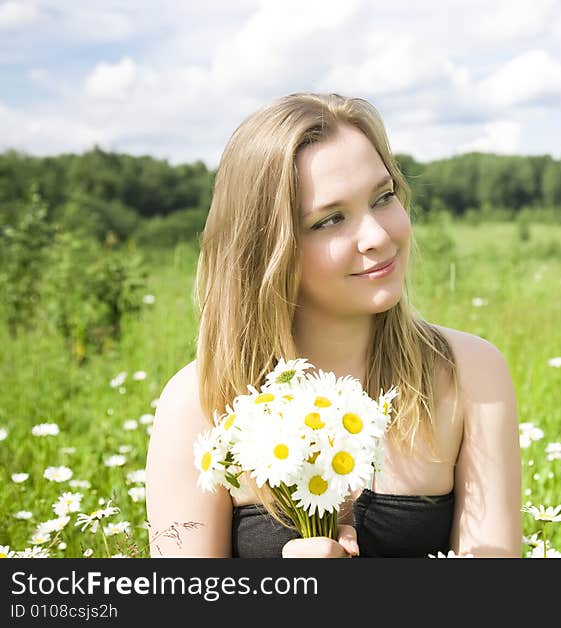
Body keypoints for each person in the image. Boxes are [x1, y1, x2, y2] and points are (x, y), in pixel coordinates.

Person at [145, 92, 522, 558]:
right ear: (268, 250)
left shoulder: (469, 374)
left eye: (383, 197)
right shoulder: (202, 403)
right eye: (330, 220)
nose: (379, 237)